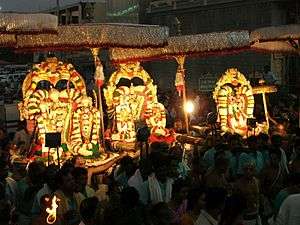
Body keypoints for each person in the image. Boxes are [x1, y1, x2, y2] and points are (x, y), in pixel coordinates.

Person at [234, 157, 262, 225]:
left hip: (255, 214)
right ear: (243, 170)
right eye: (246, 169)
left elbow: (258, 196)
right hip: (244, 216)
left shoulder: (257, 181)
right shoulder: (238, 184)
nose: (248, 171)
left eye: (251, 169)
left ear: (254, 170)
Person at [17, 161, 46, 225]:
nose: (40, 177)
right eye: (38, 174)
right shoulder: (22, 184)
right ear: (31, 173)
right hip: (25, 216)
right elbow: (26, 198)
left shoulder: (41, 183)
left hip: (38, 216)